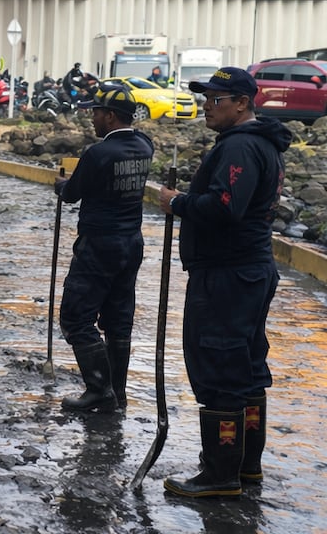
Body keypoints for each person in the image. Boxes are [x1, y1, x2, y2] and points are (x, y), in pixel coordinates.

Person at [156, 66, 291, 498]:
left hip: (229, 274)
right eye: (205, 98)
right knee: (246, 367)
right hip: (247, 270)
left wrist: (178, 202)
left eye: (216, 100)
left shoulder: (240, 148)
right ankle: (244, 465)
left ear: (242, 103)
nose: (207, 107)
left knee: (219, 365)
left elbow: (225, 207)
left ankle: (220, 474)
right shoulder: (253, 144)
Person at [53, 81, 154, 413]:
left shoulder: (97, 153)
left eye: (95, 112)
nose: (91, 119)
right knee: (117, 319)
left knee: (76, 317)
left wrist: (62, 185)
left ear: (110, 116)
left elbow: (72, 193)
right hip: (131, 243)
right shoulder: (145, 146)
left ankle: (99, 389)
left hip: (98, 245)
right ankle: (118, 393)